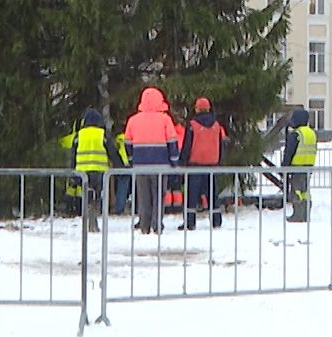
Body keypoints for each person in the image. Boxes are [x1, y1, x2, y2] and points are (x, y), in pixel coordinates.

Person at [124, 86, 179, 234]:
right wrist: (174, 162)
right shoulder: (165, 120)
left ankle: (144, 225)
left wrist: (131, 160)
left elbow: (127, 143)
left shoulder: (133, 120)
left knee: (143, 197)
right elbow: (172, 142)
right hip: (161, 165)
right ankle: (157, 224)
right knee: (159, 196)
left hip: (140, 165)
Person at [59, 107, 114, 231]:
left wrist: (72, 172)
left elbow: (73, 155)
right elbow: (112, 152)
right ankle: (94, 220)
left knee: (87, 195)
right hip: (99, 171)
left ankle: (89, 219)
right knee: (97, 195)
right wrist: (121, 168)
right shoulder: (102, 134)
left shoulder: (79, 136)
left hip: (82, 171)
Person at [181, 97, 228, 230]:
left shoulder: (192, 125)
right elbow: (221, 145)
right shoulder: (217, 125)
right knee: (212, 194)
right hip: (212, 164)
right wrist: (219, 161)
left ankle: (190, 222)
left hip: (195, 164)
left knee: (192, 194)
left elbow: (187, 145)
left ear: (196, 109)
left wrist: (182, 161)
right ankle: (216, 221)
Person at [281, 108, 317, 223]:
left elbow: (289, 152)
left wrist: (284, 167)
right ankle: (306, 215)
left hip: (297, 167)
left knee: (296, 191)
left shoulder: (296, 134)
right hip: (308, 167)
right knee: (305, 192)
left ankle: (297, 215)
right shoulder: (311, 133)